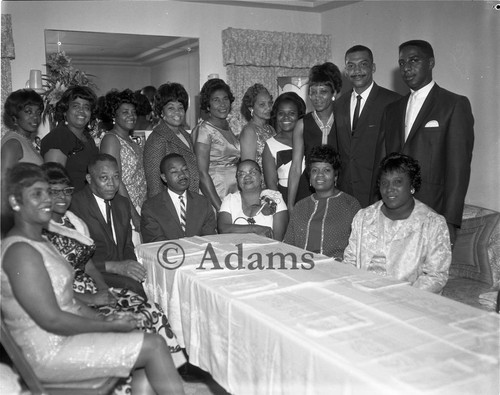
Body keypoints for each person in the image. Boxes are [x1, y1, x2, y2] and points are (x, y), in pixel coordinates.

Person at [1, 162, 184, 394]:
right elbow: (52, 319)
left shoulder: (40, 241)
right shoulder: (21, 252)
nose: (47, 199)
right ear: (15, 202)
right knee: (154, 345)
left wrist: (104, 320)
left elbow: (66, 298)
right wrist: (106, 325)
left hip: (62, 337)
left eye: (47, 191)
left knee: (143, 338)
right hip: (49, 351)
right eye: (36, 194)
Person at [376, 40, 474, 245]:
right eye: (402, 63)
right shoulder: (392, 109)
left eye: (414, 60)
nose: (406, 68)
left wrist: (451, 221)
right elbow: (384, 164)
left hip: (433, 210)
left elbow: (459, 169)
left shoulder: (454, 104)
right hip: (393, 212)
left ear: (431, 63)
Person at [344, 153, 451, 293]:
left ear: (412, 185)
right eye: (384, 182)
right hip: (362, 294)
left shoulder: (433, 223)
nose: (389, 188)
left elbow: (436, 276)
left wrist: (400, 299)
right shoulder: (364, 217)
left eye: (398, 182)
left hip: (408, 302)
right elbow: (350, 262)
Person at [333, 45, 401, 208]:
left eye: (363, 64)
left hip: (378, 192)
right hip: (345, 193)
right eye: (351, 66)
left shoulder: (393, 102)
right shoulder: (338, 104)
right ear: (346, 71)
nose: (357, 70)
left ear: (373, 67)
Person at [70, 154, 146, 297]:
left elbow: (127, 245)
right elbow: (75, 260)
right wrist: (117, 267)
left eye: (116, 177)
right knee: (135, 290)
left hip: (120, 272)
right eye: (104, 178)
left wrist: (132, 266)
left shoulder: (122, 203)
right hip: (91, 275)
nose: (112, 183)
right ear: (89, 179)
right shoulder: (74, 206)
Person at [284, 145, 360, 259]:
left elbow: (358, 248)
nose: (320, 174)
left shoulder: (350, 205)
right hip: (300, 268)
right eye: (315, 170)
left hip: (336, 271)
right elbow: (288, 244)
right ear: (309, 176)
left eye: (327, 170)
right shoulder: (300, 206)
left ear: (335, 175)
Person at [288, 62, 343, 207]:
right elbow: (295, 167)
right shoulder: (302, 124)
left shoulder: (344, 121)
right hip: (307, 189)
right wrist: (290, 205)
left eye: (323, 91)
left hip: (338, 189)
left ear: (334, 93)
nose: (317, 97)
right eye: (313, 92)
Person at [100, 89, 146, 233]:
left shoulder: (131, 141)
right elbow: (115, 179)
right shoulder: (111, 139)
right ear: (114, 115)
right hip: (124, 207)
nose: (131, 116)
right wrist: (133, 215)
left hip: (140, 204)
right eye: (125, 112)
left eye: (133, 112)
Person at [141, 153, 216, 243]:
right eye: (174, 172)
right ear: (164, 177)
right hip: (167, 254)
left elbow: (209, 238)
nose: (182, 175)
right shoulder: (151, 207)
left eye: (185, 169)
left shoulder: (203, 203)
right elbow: (155, 242)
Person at [144, 82, 199, 198]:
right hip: (170, 206)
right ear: (161, 112)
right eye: (171, 108)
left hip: (190, 201)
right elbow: (154, 185)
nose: (177, 112)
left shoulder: (185, 134)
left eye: (180, 107)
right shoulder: (157, 139)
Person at [1, 89, 44, 235]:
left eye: (38, 112)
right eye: (28, 111)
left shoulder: (25, 141)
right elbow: (3, 186)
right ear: (15, 116)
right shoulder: (13, 143)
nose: (35, 117)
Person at [40, 85, 99, 191]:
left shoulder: (87, 137)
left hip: (88, 203)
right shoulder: (58, 138)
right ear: (65, 111)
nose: (81, 111)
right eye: (76, 106)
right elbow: (54, 185)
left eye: (86, 107)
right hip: (70, 203)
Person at [194, 78, 240, 210]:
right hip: (215, 190)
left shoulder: (228, 125)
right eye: (216, 100)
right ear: (207, 105)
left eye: (225, 99)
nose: (223, 104)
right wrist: (219, 208)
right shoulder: (205, 130)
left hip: (234, 188)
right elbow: (202, 173)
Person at [218, 159, 288, 241]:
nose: (247, 177)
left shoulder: (275, 198)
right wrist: (255, 229)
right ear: (237, 179)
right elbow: (223, 229)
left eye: (252, 172)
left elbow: (278, 238)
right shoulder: (230, 200)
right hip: (236, 251)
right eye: (241, 174)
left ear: (261, 176)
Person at [262, 92, 306, 205]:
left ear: (299, 115)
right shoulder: (270, 145)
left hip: (310, 194)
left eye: (291, 113)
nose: (286, 117)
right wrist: (281, 207)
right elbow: (272, 186)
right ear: (275, 116)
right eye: (281, 113)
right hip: (284, 197)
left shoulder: (309, 139)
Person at [239, 83, 275, 171]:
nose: (268, 108)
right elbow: (248, 168)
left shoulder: (271, 129)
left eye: (270, 103)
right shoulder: (249, 131)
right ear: (251, 108)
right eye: (262, 105)